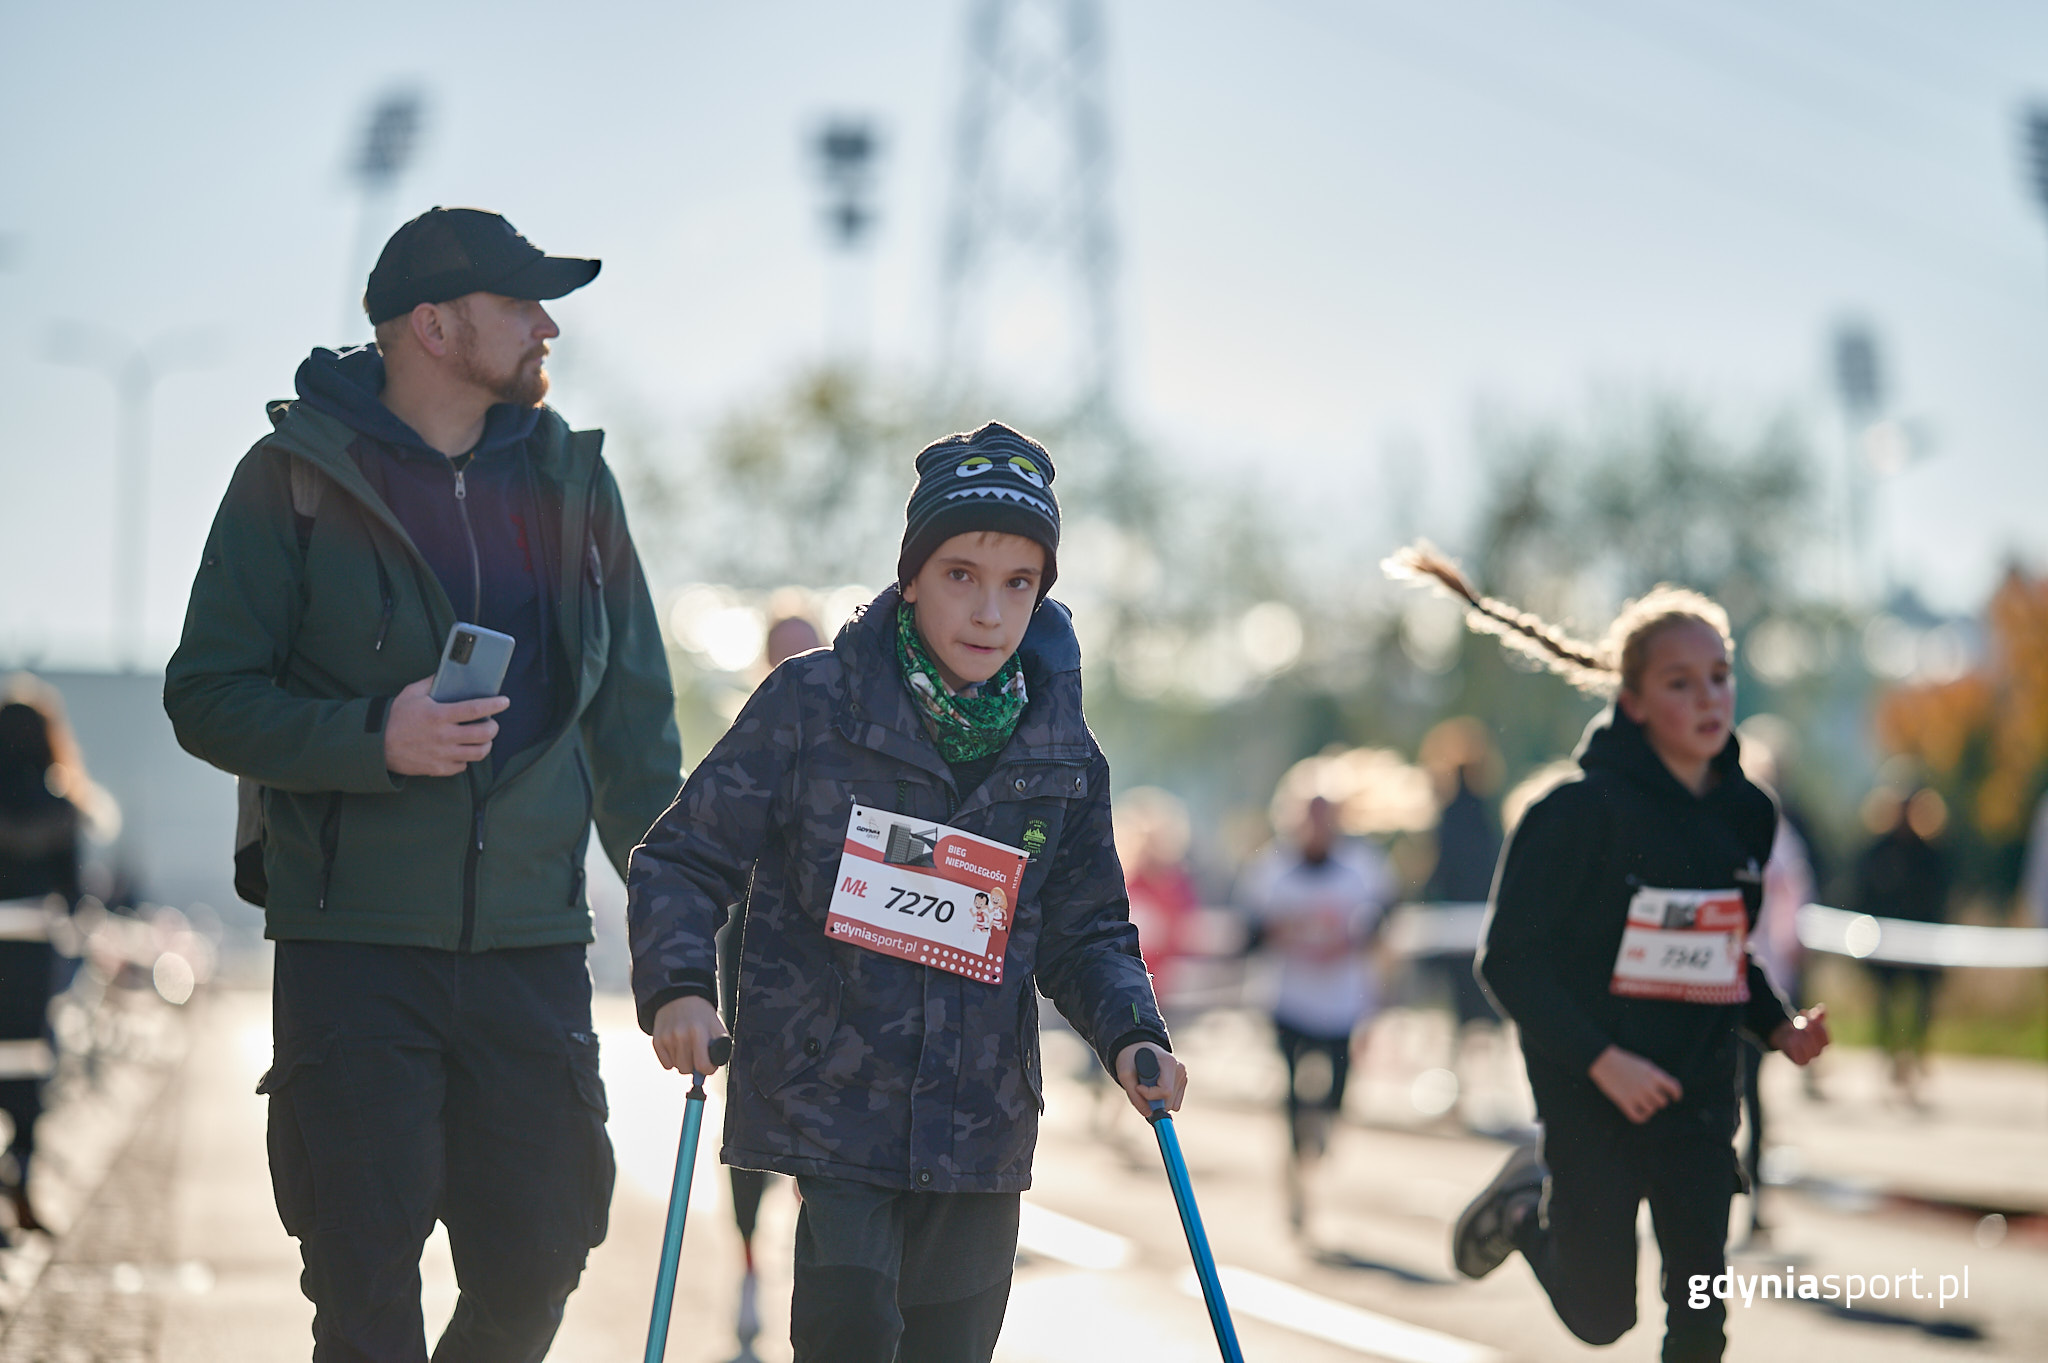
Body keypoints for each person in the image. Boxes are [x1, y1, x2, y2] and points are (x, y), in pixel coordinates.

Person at [164, 207, 682, 1363]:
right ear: (434, 326)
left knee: (539, 1259)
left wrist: (689, 946)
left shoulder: (577, 489)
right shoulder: (289, 483)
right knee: (363, 1297)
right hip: (352, 956)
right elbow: (205, 696)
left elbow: (637, 737)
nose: (549, 326)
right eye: (521, 303)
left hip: (532, 956)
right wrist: (372, 736)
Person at [627, 422, 1184, 1363]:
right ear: (912, 576)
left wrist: (1133, 1032)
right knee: (847, 1342)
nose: (989, 610)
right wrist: (679, 984)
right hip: (834, 1111)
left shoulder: (1063, 754)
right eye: (962, 573)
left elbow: (1088, 928)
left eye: (1019, 583)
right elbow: (685, 856)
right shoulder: (813, 705)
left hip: (981, 1131)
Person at [1386, 545, 1828, 1363]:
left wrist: (1781, 1026)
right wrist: (1604, 1060)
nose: (1708, 697)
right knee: (1601, 1318)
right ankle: (1528, 1208)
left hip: (1696, 1096)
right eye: (1680, 681)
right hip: (1591, 1088)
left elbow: (1725, 951)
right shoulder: (1571, 815)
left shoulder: (1749, 815)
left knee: (1700, 1313)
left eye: (1720, 675)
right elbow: (1508, 963)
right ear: (1631, 701)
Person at [719, 611, 823, 1363]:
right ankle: (751, 1267)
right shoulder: (744, 745)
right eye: (784, 651)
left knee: (823, 1149)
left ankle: (808, 1279)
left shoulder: (851, 739)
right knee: (754, 1147)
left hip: (834, 979)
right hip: (752, 969)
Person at [1236, 791, 1394, 1238]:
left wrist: (1354, 943)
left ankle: (1318, 1136)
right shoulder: (1270, 869)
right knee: (1291, 1087)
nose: (1318, 829)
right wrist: (1281, 931)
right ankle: (1295, 1161)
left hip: (1343, 1000)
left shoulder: (1363, 866)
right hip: (1288, 999)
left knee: (1337, 1090)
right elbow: (1248, 934)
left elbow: (1385, 920)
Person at [0, 680, 107, 1241]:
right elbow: (74, 895)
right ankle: (20, 1186)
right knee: (29, 1072)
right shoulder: (61, 805)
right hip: (31, 958)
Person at [1849, 783, 1951, 1105]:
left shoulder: (1930, 853)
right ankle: (1889, 1055)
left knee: (1921, 1005)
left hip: (1922, 943)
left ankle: (1915, 1054)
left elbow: (1941, 898)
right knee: (1886, 1005)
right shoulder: (1876, 851)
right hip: (1884, 944)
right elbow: (1862, 893)